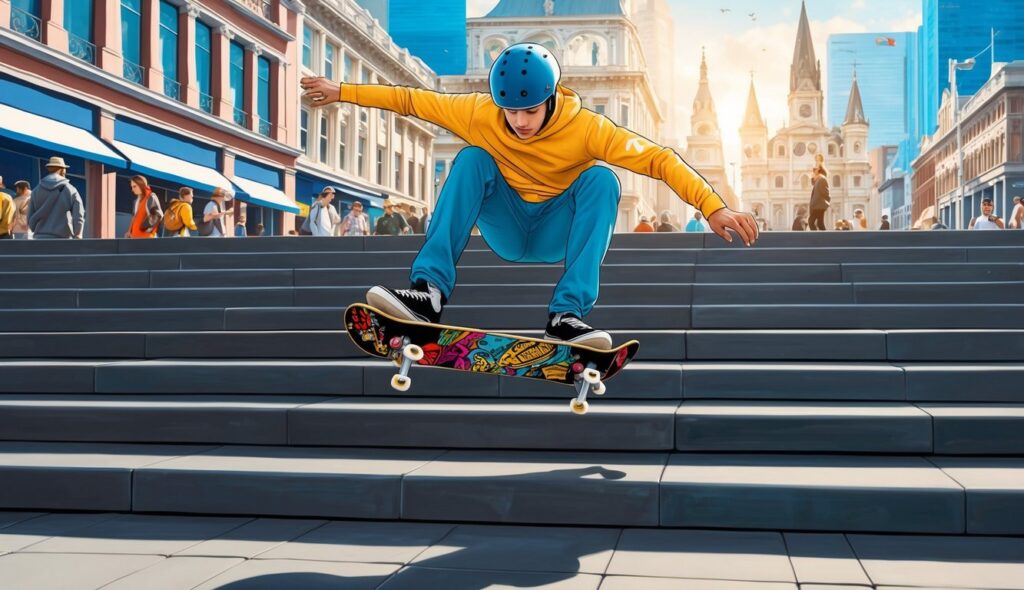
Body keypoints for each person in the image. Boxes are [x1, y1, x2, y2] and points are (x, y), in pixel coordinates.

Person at [301, 42, 757, 349]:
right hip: (508, 225)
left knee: (602, 180)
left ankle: (567, 317)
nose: (519, 122)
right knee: (471, 160)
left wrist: (712, 204)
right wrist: (339, 91)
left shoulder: (587, 128)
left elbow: (657, 158)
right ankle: (429, 294)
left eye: (530, 111)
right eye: (510, 111)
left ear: (552, 98)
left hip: (557, 228)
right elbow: (410, 99)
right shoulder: (477, 112)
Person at [28, 156, 85, 239]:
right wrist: (78, 233)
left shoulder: (36, 190)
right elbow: (78, 215)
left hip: (39, 238)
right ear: (62, 170)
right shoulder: (70, 189)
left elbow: (30, 215)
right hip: (63, 239)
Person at [808, 166, 830, 231]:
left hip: (818, 205)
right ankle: (823, 238)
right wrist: (812, 178)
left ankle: (816, 238)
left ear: (817, 171)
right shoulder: (819, 180)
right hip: (817, 205)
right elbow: (813, 183)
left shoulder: (822, 179)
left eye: (813, 171)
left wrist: (826, 202)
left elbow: (826, 192)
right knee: (820, 223)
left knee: (811, 222)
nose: (812, 173)